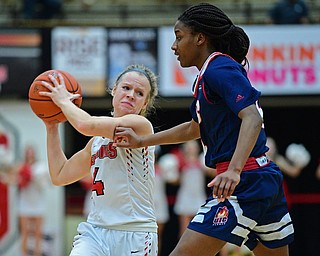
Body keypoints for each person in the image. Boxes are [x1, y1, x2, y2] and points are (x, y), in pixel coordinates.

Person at [114, 3, 294, 256]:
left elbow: (251, 118)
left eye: (179, 37)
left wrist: (234, 170)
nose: (173, 46)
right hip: (261, 178)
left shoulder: (219, 68)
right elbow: (195, 128)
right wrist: (143, 140)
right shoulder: (209, 74)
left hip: (244, 181)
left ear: (200, 38)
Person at [40, 64, 159, 255]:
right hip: (95, 232)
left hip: (134, 232)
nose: (130, 95)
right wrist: (51, 127)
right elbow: (60, 175)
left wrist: (63, 101)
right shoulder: (95, 143)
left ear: (144, 104)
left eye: (139, 93)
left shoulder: (140, 126)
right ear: (114, 90)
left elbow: (84, 124)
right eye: (126, 88)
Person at [17, 145, 50, 256]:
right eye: (28, 152)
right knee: (25, 232)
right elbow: (16, 181)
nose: (30, 155)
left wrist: (36, 178)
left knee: (38, 232)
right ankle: (24, 254)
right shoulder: (21, 167)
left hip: (38, 201)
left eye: (31, 152)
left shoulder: (40, 167)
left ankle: (37, 253)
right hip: (25, 201)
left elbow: (47, 182)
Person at [173, 140, 207, 238]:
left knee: (201, 228)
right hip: (185, 196)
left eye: (193, 147)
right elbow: (176, 181)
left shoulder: (202, 161)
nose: (191, 149)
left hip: (198, 196)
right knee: (184, 228)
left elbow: (212, 173)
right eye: (188, 147)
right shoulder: (180, 162)